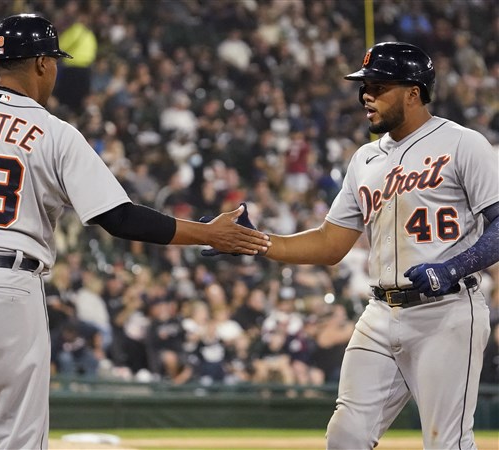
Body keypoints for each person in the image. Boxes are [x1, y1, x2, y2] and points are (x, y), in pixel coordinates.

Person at [0, 14, 270, 450]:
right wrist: (208, 232)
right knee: (18, 441)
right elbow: (119, 217)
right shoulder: (54, 132)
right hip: (7, 285)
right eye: (54, 61)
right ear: (41, 63)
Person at [206, 42, 499, 448]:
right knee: (346, 436)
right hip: (380, 312)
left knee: (446, 443)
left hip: (446, 314)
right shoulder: (364, 159)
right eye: (365, 86)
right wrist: (259, 242)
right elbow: (330, 243)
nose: (366, 95)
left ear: (414, 92)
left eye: (379, 86)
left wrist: (453, 268)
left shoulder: (463, 144)